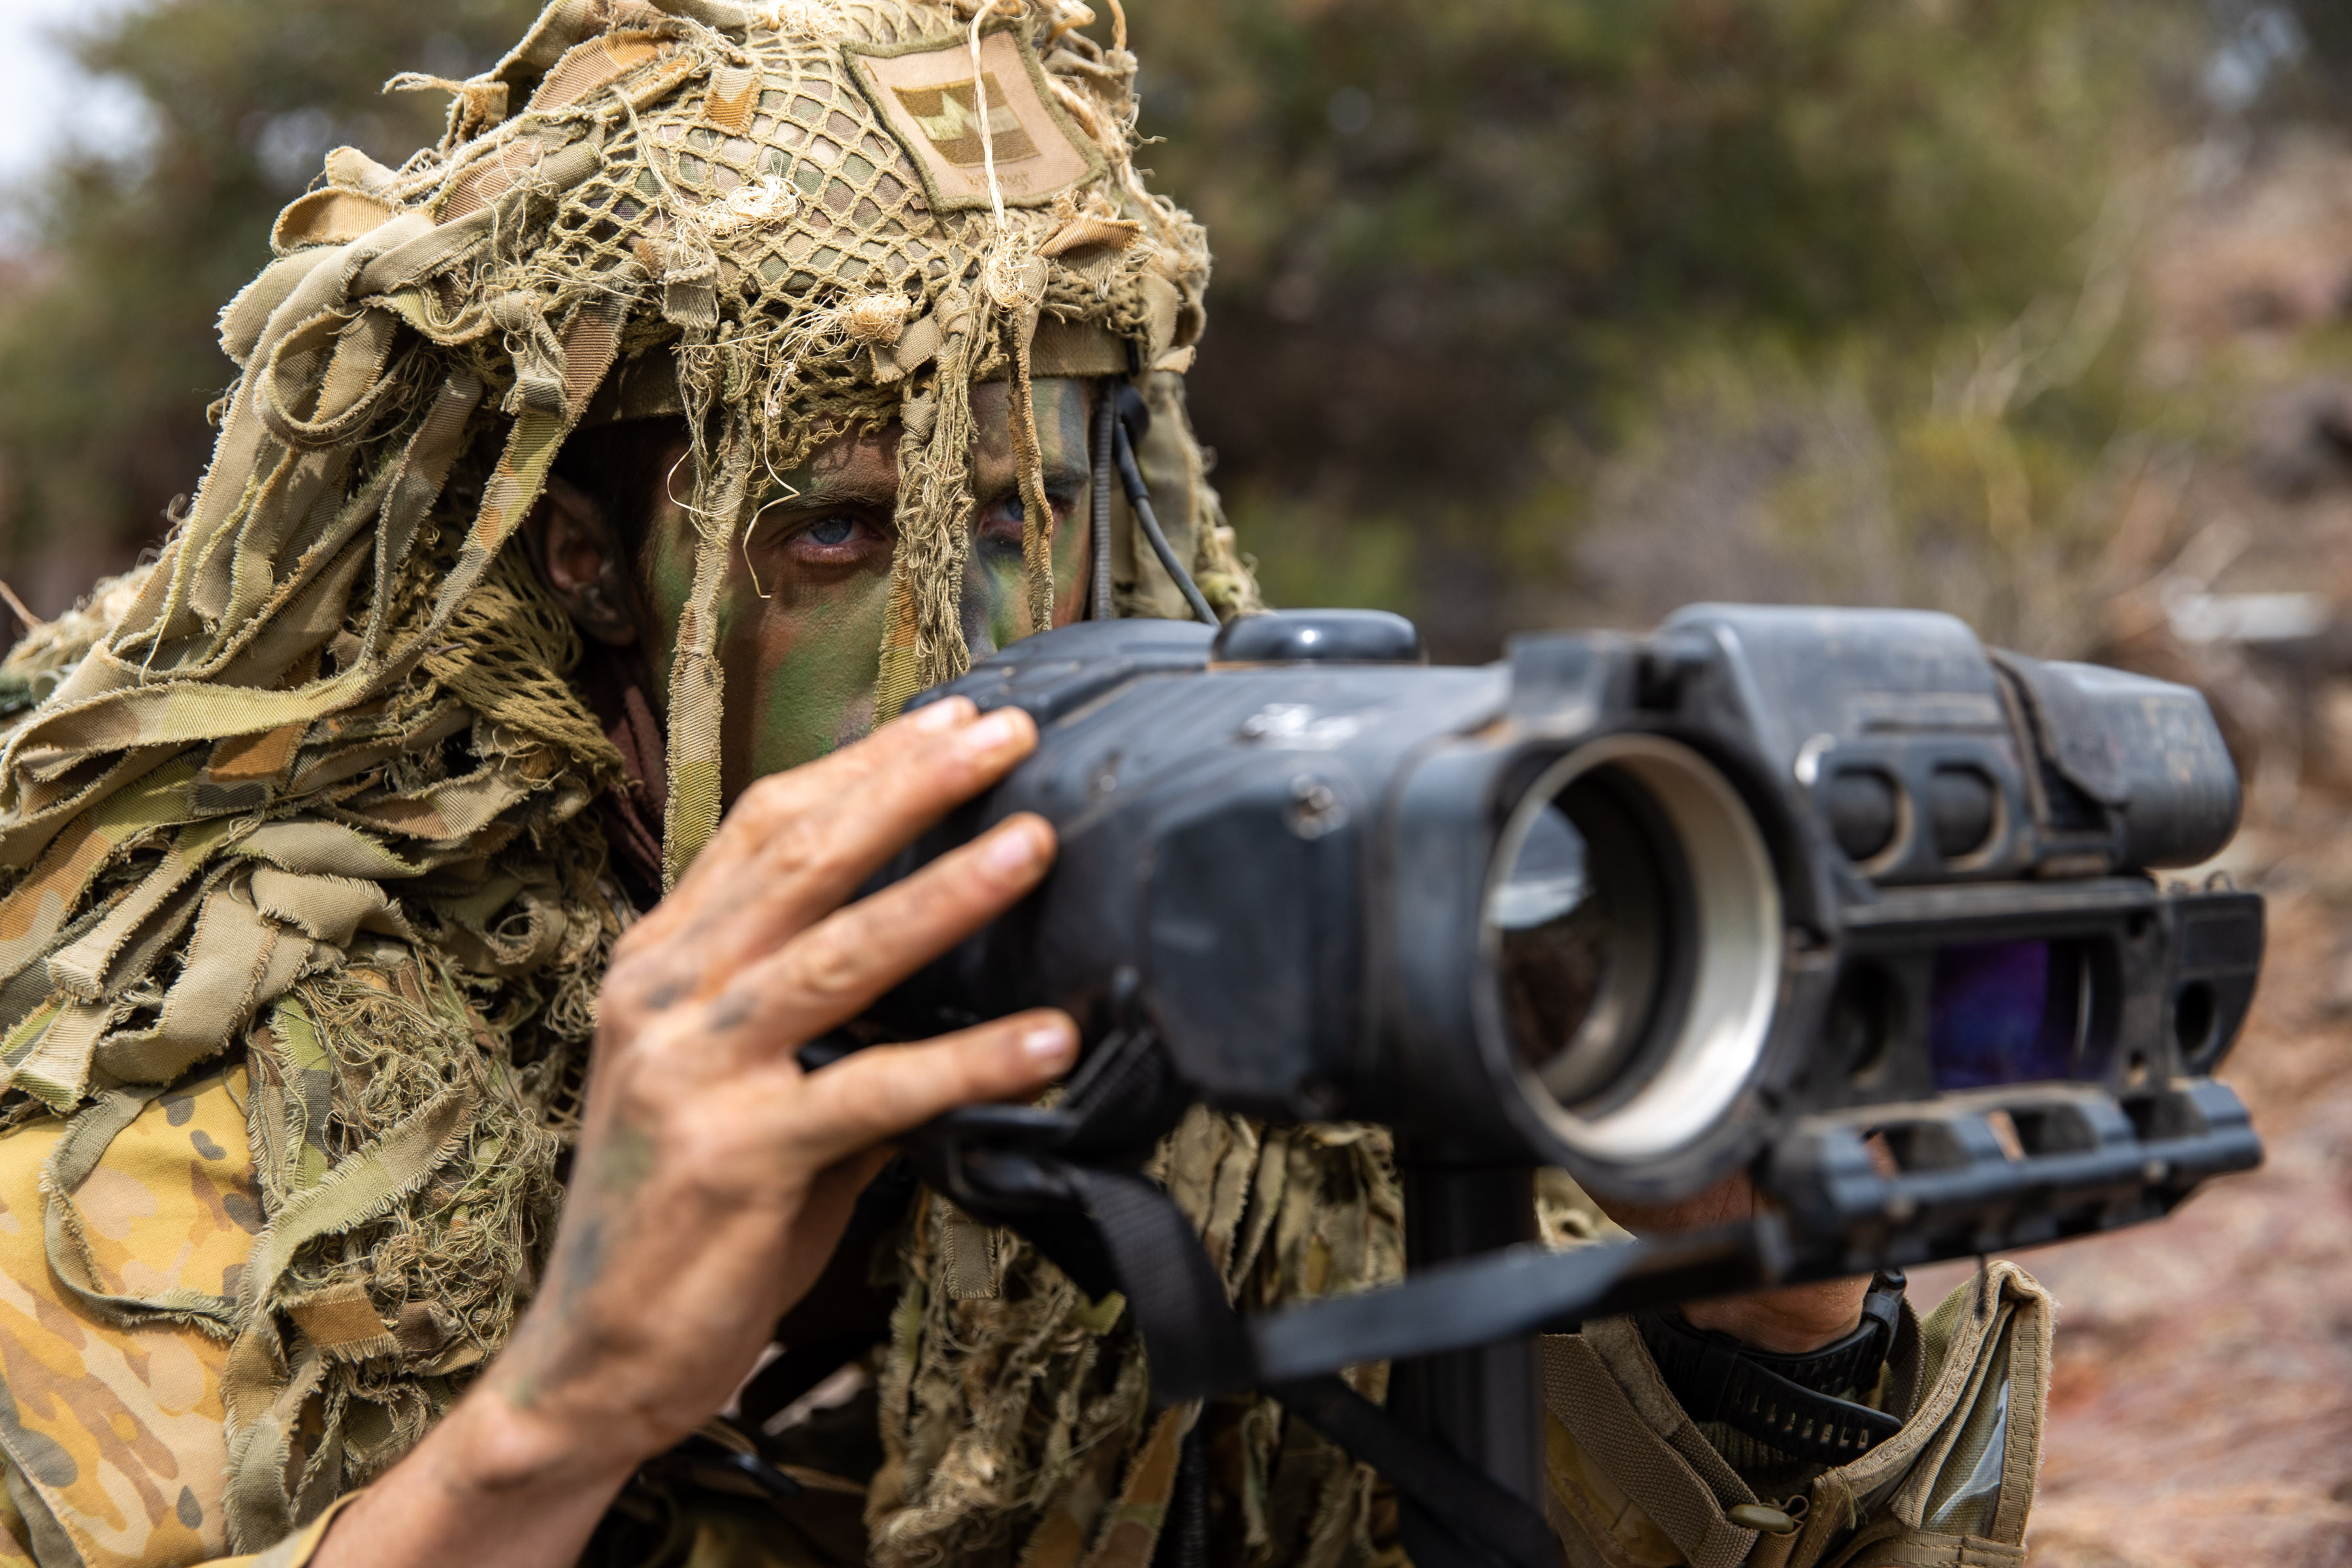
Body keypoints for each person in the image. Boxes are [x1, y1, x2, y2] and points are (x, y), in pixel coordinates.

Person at [0, 2, 2051, 1565]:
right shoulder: (229, 1114)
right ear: (590, 577)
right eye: (841, 539)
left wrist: (1768, 1322)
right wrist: (557, 1417)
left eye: (1042, 509)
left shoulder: (1211, 1036)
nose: (985, 637)